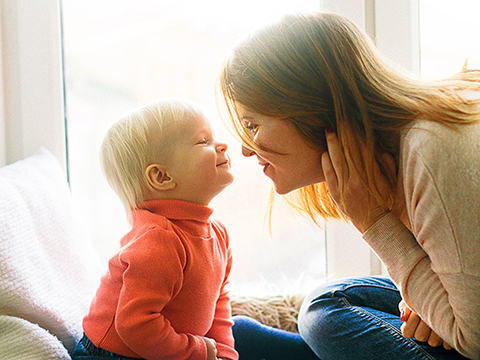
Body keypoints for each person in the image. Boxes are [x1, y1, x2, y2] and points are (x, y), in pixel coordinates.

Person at [218, 11, 480, 360]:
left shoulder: (431, 149)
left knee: (321, 319)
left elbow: (474, 336)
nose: (246, 149)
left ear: (310, 108)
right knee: (328, 303)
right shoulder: (398, 154)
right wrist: (427, 304)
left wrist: (375, 222)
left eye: (252, 126)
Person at [72, 98, 238, 360]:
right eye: (203, 141)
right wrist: (196, 352)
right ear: (162, 177)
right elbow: (135, 325)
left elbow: (219, 302)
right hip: (115, 353)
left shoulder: (218, 234)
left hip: (165, 343)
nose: (222, 145)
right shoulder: (159, 241)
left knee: (248, 329)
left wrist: (224, 353)